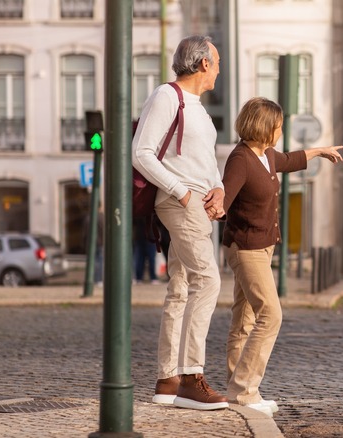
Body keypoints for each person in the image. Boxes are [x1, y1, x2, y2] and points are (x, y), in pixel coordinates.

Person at [221, 97, 343, 416]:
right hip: (246, 247)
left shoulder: (266, 156)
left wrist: (320, 151)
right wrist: (210, 204)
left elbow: (289, 160)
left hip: (262, 246)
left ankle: (238, 387)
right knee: (271, 315)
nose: (281, 131)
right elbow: (224, 199)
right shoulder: (241, 159)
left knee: (245, 317)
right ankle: (245, 390)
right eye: (278, 126)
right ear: (264, 127)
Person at [132, 35, 228, 411]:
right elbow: (141, 153)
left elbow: (204, 162)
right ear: (203, 63)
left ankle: (168, 379)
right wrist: (182, 192)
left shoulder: (199, 109)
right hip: (180, 202)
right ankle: (191, 376)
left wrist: (218, 189)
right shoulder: (166, 96)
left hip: (200, 205)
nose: (219, 71)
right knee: (209, 279)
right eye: (217, 63)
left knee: (182, 285)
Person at [133, 216, 158, 284]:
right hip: (146, 237)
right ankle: (151, 278)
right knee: (146, 259)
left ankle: (140, 278)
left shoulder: (138, 211)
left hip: (143, 237)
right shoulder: (152, 211)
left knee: (141, 258)